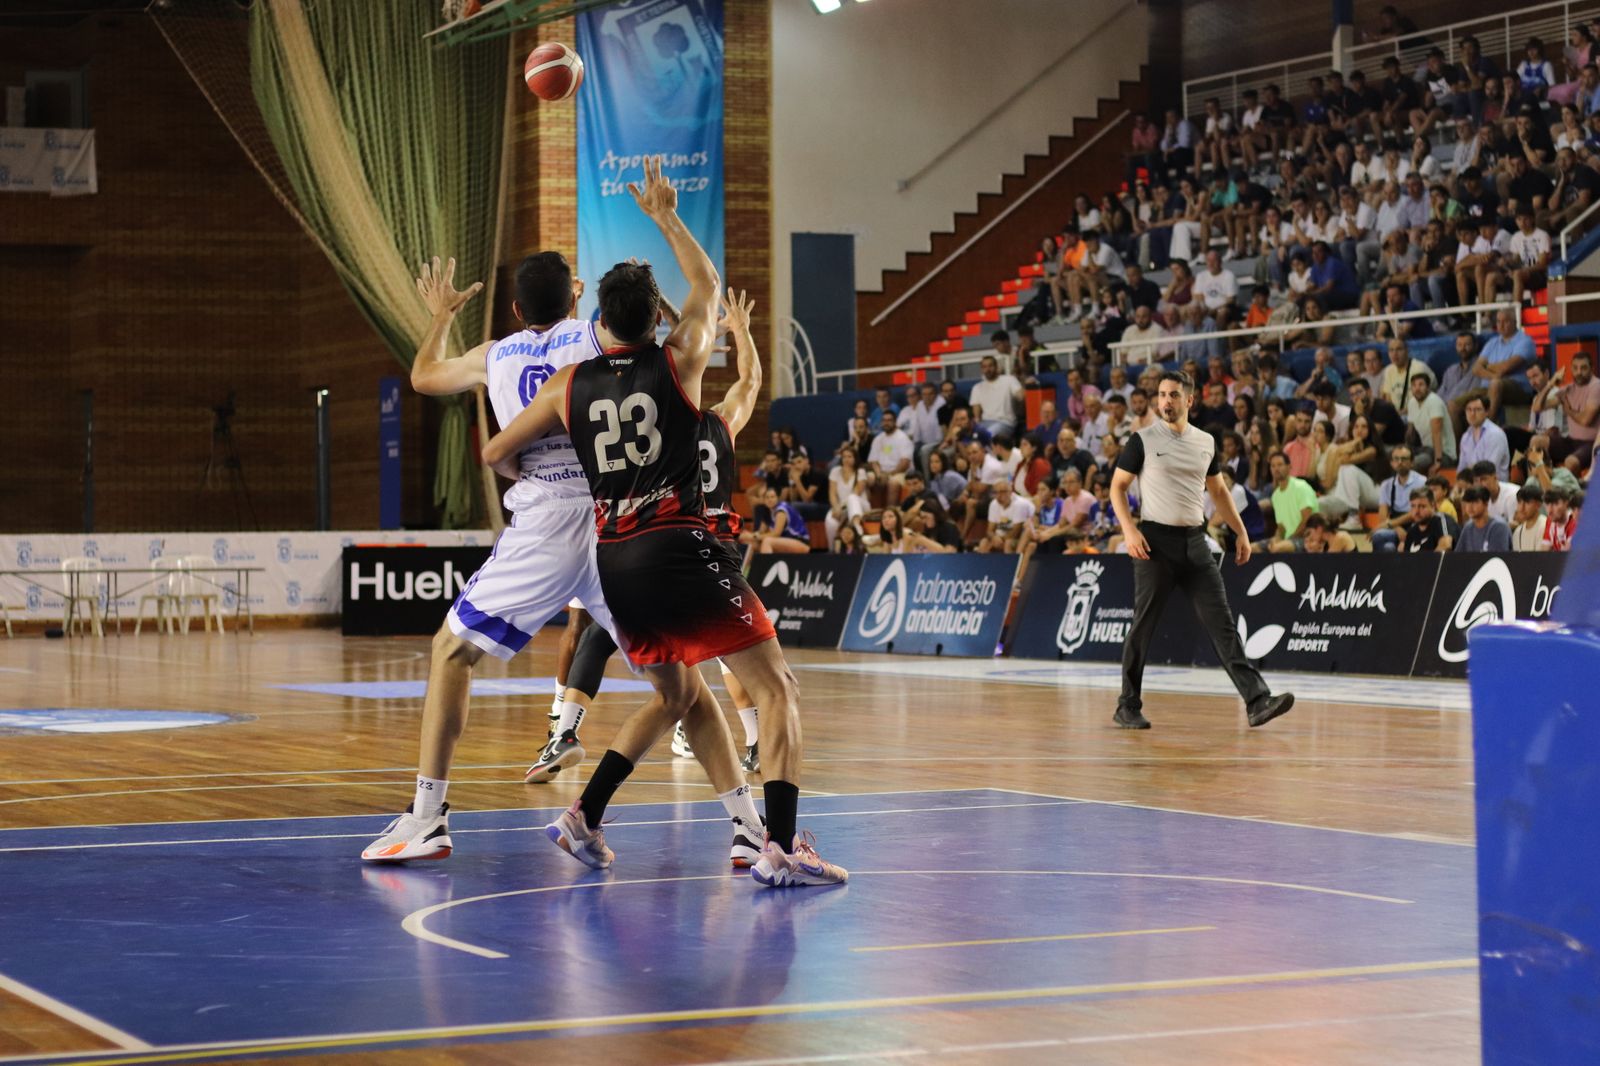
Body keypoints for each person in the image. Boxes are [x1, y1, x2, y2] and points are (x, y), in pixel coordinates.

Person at [483, 158, 845, 887]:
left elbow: (496, 452)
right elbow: (707, 284)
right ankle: (780, 847)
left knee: (677, 694)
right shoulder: (680, 364)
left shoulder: (568, 383)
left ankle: (584, 815)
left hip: (613, 557)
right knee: (777, 690)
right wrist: (666, 215)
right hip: (680, 547)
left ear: (598, 322)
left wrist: (543, 482)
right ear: (655, 318)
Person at [360, 252, 619, 864]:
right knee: (678, 680)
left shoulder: (496, 353)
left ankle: (427, 816)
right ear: (574, 297)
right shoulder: (597, 338)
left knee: (451, 651)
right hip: (612, 519)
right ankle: (754, 828)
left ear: (516, 310)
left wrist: (442, 315)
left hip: (545, 520)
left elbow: (424, 376)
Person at [1109, 371, 1293, 731]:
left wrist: (1241, 532)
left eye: (1174, 395)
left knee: (1222, 623)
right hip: (1154, 543)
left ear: (1190, 400)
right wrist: (1129, 530)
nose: (1166, 401)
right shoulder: (1143, 439)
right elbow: (1117, 487)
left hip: (1195, 542)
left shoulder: (1205, 441)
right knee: (1143, 626)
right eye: (1162, 394)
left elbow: (1219, 491)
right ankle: (1127, 705)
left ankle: (1257, 701)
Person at [969, 354, 1024, 436]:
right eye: (984, 367)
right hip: (985, 422)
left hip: (1005, 422)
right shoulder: (977, 388)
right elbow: (976, 413)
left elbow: (1021, 396)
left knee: (988, 434)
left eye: (990, 366)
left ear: (996, 367)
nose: (987, 369)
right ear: (981, 370)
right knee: (971, 435)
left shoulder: (1009, 380)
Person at [1459, 394, 1510, 479]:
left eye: (1477, 410)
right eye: (1469, 409)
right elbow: (1461, 469)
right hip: (1472, 482)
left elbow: (1488, 469)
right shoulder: (1465, 437)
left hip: (1494, 483)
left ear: (1487, 412)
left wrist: (1467, 473)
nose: (1472, 414)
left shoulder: (1495, 434)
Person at [1398, 487, 1456, 552]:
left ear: (1433, 505)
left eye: (1422, 506)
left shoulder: (1442, 520)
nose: (1416, 511)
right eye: (1413, 506)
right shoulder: (1412, 529)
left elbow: (1445, 545)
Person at [1455, 485, 1512, 551]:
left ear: (1486, 503)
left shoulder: (1499, 526)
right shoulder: (1468, 527)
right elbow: (1458, 554)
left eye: (1475, 502)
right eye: (1467, 502)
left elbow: (1498, 556)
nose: (1470, 507)